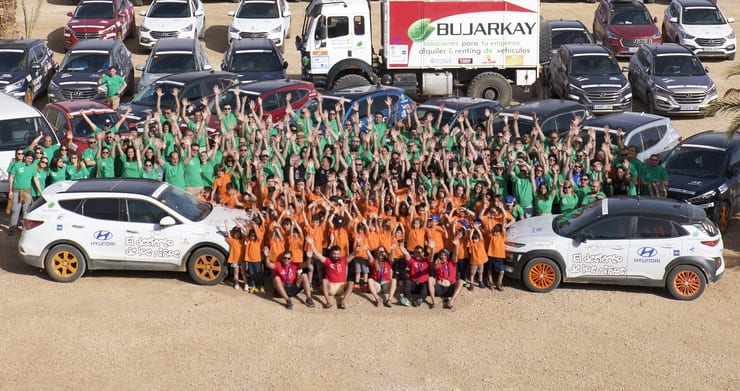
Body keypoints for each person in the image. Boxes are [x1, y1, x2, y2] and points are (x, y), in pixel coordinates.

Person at [307, 241, 360, 310]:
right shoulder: (327, 261)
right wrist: (311, 244)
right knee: (324, 280)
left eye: (338, 254)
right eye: (334, 254)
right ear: (331, 254)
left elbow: (353, 254)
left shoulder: (344, 261)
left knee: (351, 283)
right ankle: (328, 302)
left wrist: (358, 244)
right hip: (330, 287)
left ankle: (343, 302)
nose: (336, 256)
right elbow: (317, 254)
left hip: (341, 287)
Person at [7, 151, 42, 236]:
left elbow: (35, 179)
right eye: (28, 158)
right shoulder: (17, 165)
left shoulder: (33, 168)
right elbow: (11, 177)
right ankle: (12, 227)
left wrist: (40, 191)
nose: (29, 160)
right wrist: (10, 190)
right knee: (15, 210)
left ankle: (25, 227)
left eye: (31, 158)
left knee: (26, 210)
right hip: (16, 191)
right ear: (24, 157)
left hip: (27, 191)